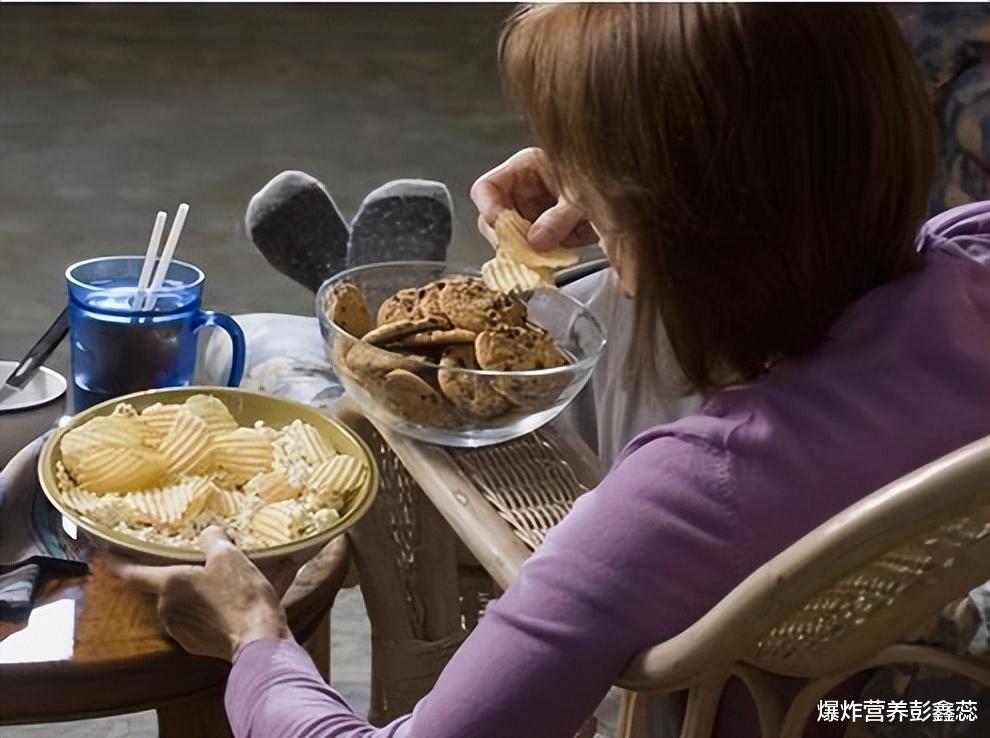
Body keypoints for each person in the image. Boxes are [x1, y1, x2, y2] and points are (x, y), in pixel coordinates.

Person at [112, 5, 990, 738]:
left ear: (676, 225)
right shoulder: (972, 257)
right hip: (905, 679)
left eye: (596, 179)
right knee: (556, 317)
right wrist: (609, 181)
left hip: (736, 698)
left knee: (288, 356)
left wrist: (253, 639)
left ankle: (338, 337)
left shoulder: (684, 496)